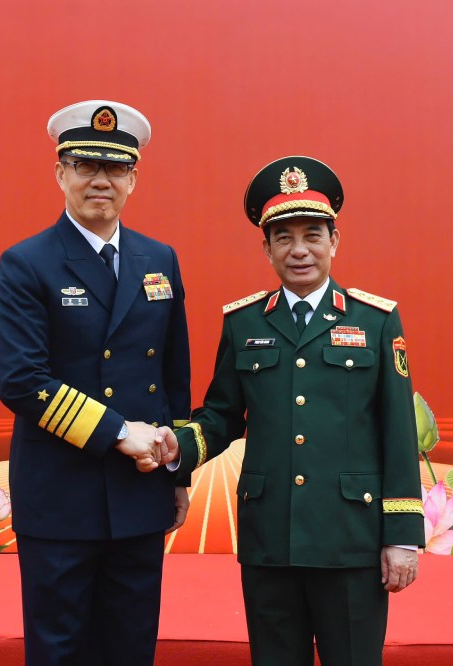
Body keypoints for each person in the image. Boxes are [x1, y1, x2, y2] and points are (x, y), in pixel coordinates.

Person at [170, 156, 424, 666]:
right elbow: (222, 415)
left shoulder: (375, 320)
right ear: (266, 249)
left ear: (335, 241)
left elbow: (398, 431)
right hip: (270, 538)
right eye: (283, 238)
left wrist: (402, 537)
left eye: (313, 235)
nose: (300, 250)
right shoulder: (243, 323)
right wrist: (177, 450)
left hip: (350, 538)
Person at [0, 99, 191, 666]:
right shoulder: (27, 263)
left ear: (133, 179)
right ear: (61, 174)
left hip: (141, 490)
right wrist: (120, 432)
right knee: (59, 650)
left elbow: (173, 376)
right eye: (85, 165)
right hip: (61, 495)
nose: (101, 180)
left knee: (130, 647)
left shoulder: (160, 259)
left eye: (116, 168)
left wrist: (179, 473)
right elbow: (22, 380)